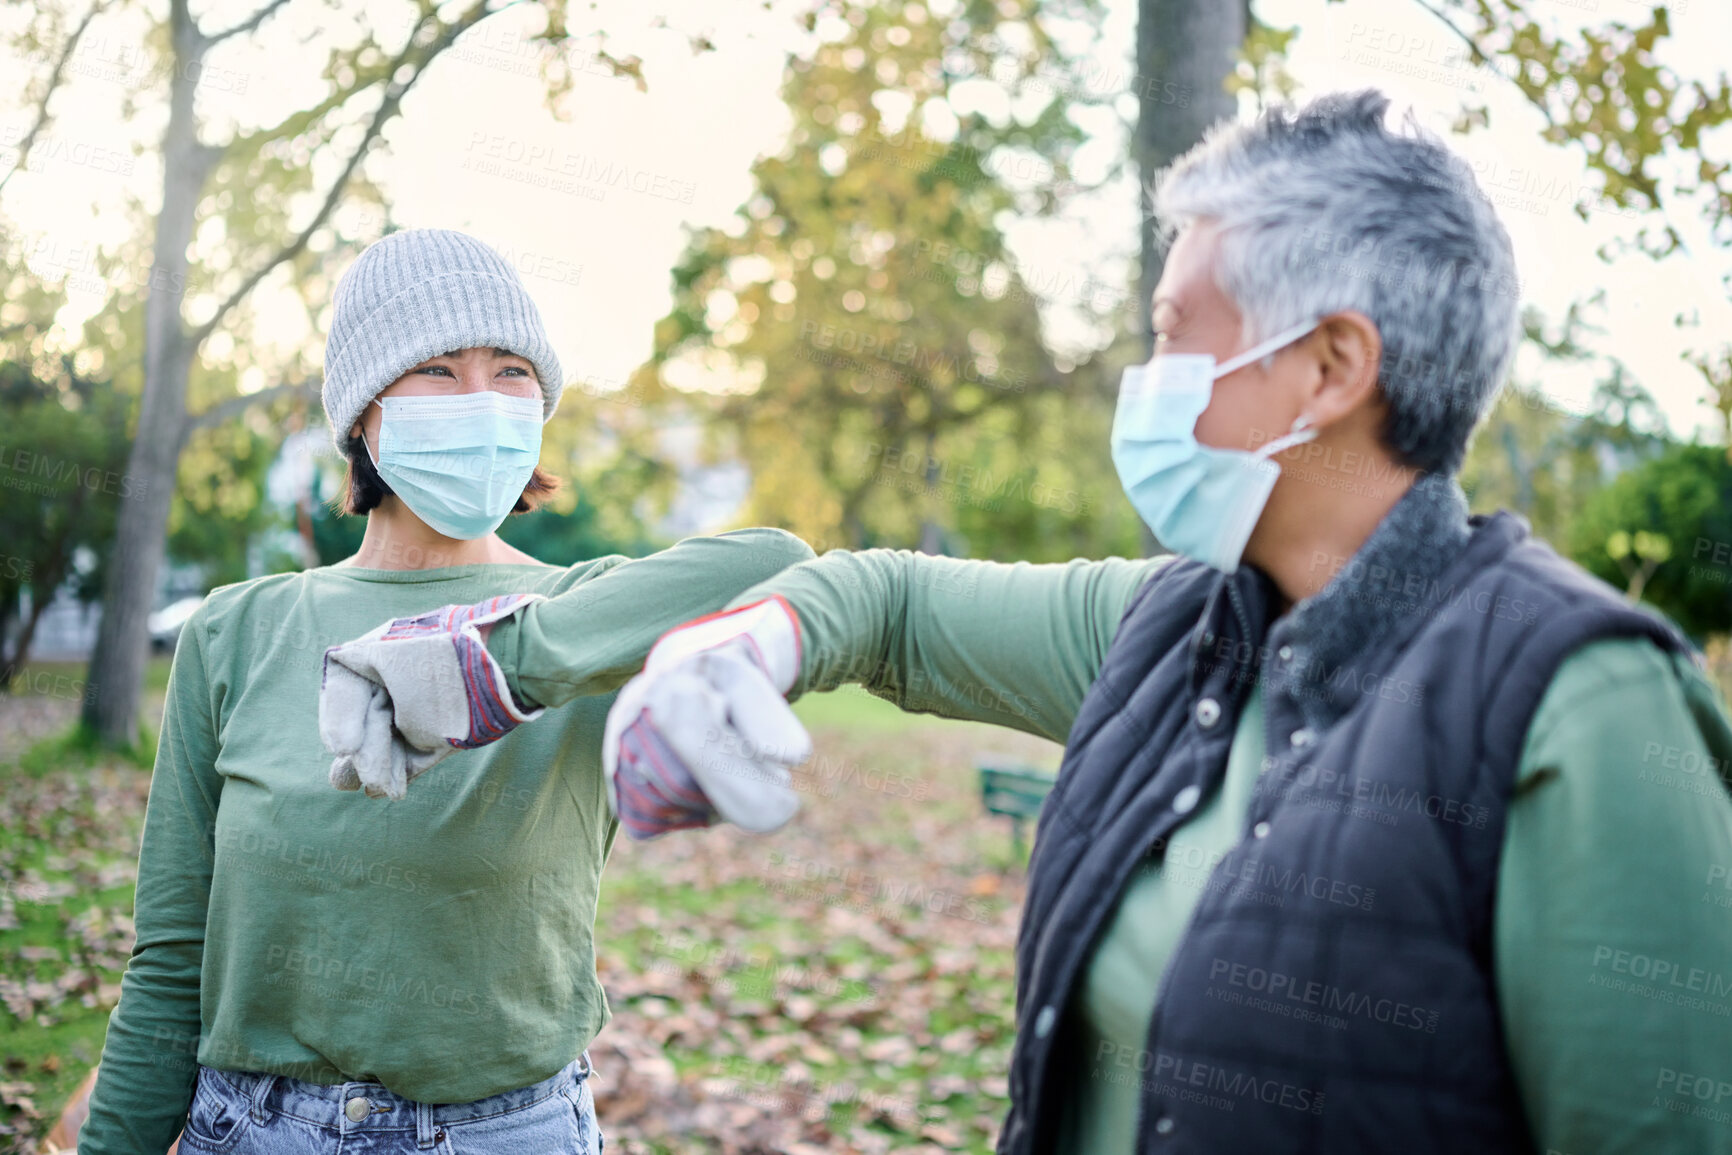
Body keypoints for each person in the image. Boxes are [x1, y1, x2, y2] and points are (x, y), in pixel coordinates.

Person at [596, 91, 1732, 1153]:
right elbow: (885, 605)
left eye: (1173, 331)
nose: (1147, 382)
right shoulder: (1171, 630)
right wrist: (731, 646)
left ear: (1332, 366)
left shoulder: (1578, 704)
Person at [75, 228, 813, 1155]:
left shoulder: (585, 614)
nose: (481, 401)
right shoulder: (236, 629)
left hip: (510, 1132)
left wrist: (497, 662)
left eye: (510, 372)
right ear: (362, 415)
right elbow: (171, 957)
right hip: (255, 1131)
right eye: (436, 369)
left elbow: (782, 565)